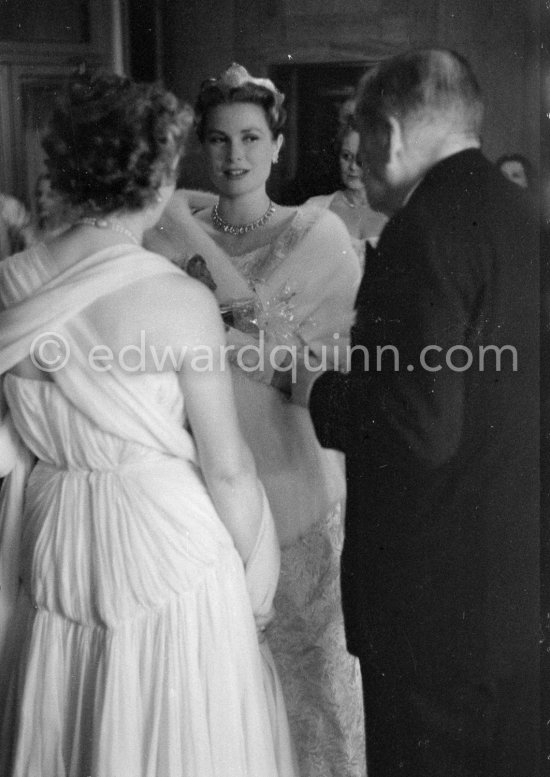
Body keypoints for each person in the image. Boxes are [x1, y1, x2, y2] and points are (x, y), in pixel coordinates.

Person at [0, 72, 297, 777]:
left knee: (70, 720)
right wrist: (256, 585)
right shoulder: (178, 300)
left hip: (58, 537)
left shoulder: (11, 280)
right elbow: (228, 468)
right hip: (168, 548)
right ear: (160, 179)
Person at [292, 48, 540, 776]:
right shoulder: (524, 214)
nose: (357, 158)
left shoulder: (421, 229)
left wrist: (316, 391)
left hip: (432, 606)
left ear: (392, 134)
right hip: (519, 591)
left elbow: (415, 428)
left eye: (360, 136)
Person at [146, 63, 366, 777]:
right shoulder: (168, 226)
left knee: (309, 681)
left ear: (277, 143)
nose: (234, 156)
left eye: (249, 137)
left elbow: (307, 369)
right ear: (200, 149)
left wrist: (218, 298)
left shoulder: (321, 235)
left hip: (289, 470)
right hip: (199, 475)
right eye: (217, 139)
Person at [305, 114, 387, 264]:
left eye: (361, 159)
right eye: (346, 156)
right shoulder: (315, 209)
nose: (352, 166)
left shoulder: (397, 213)